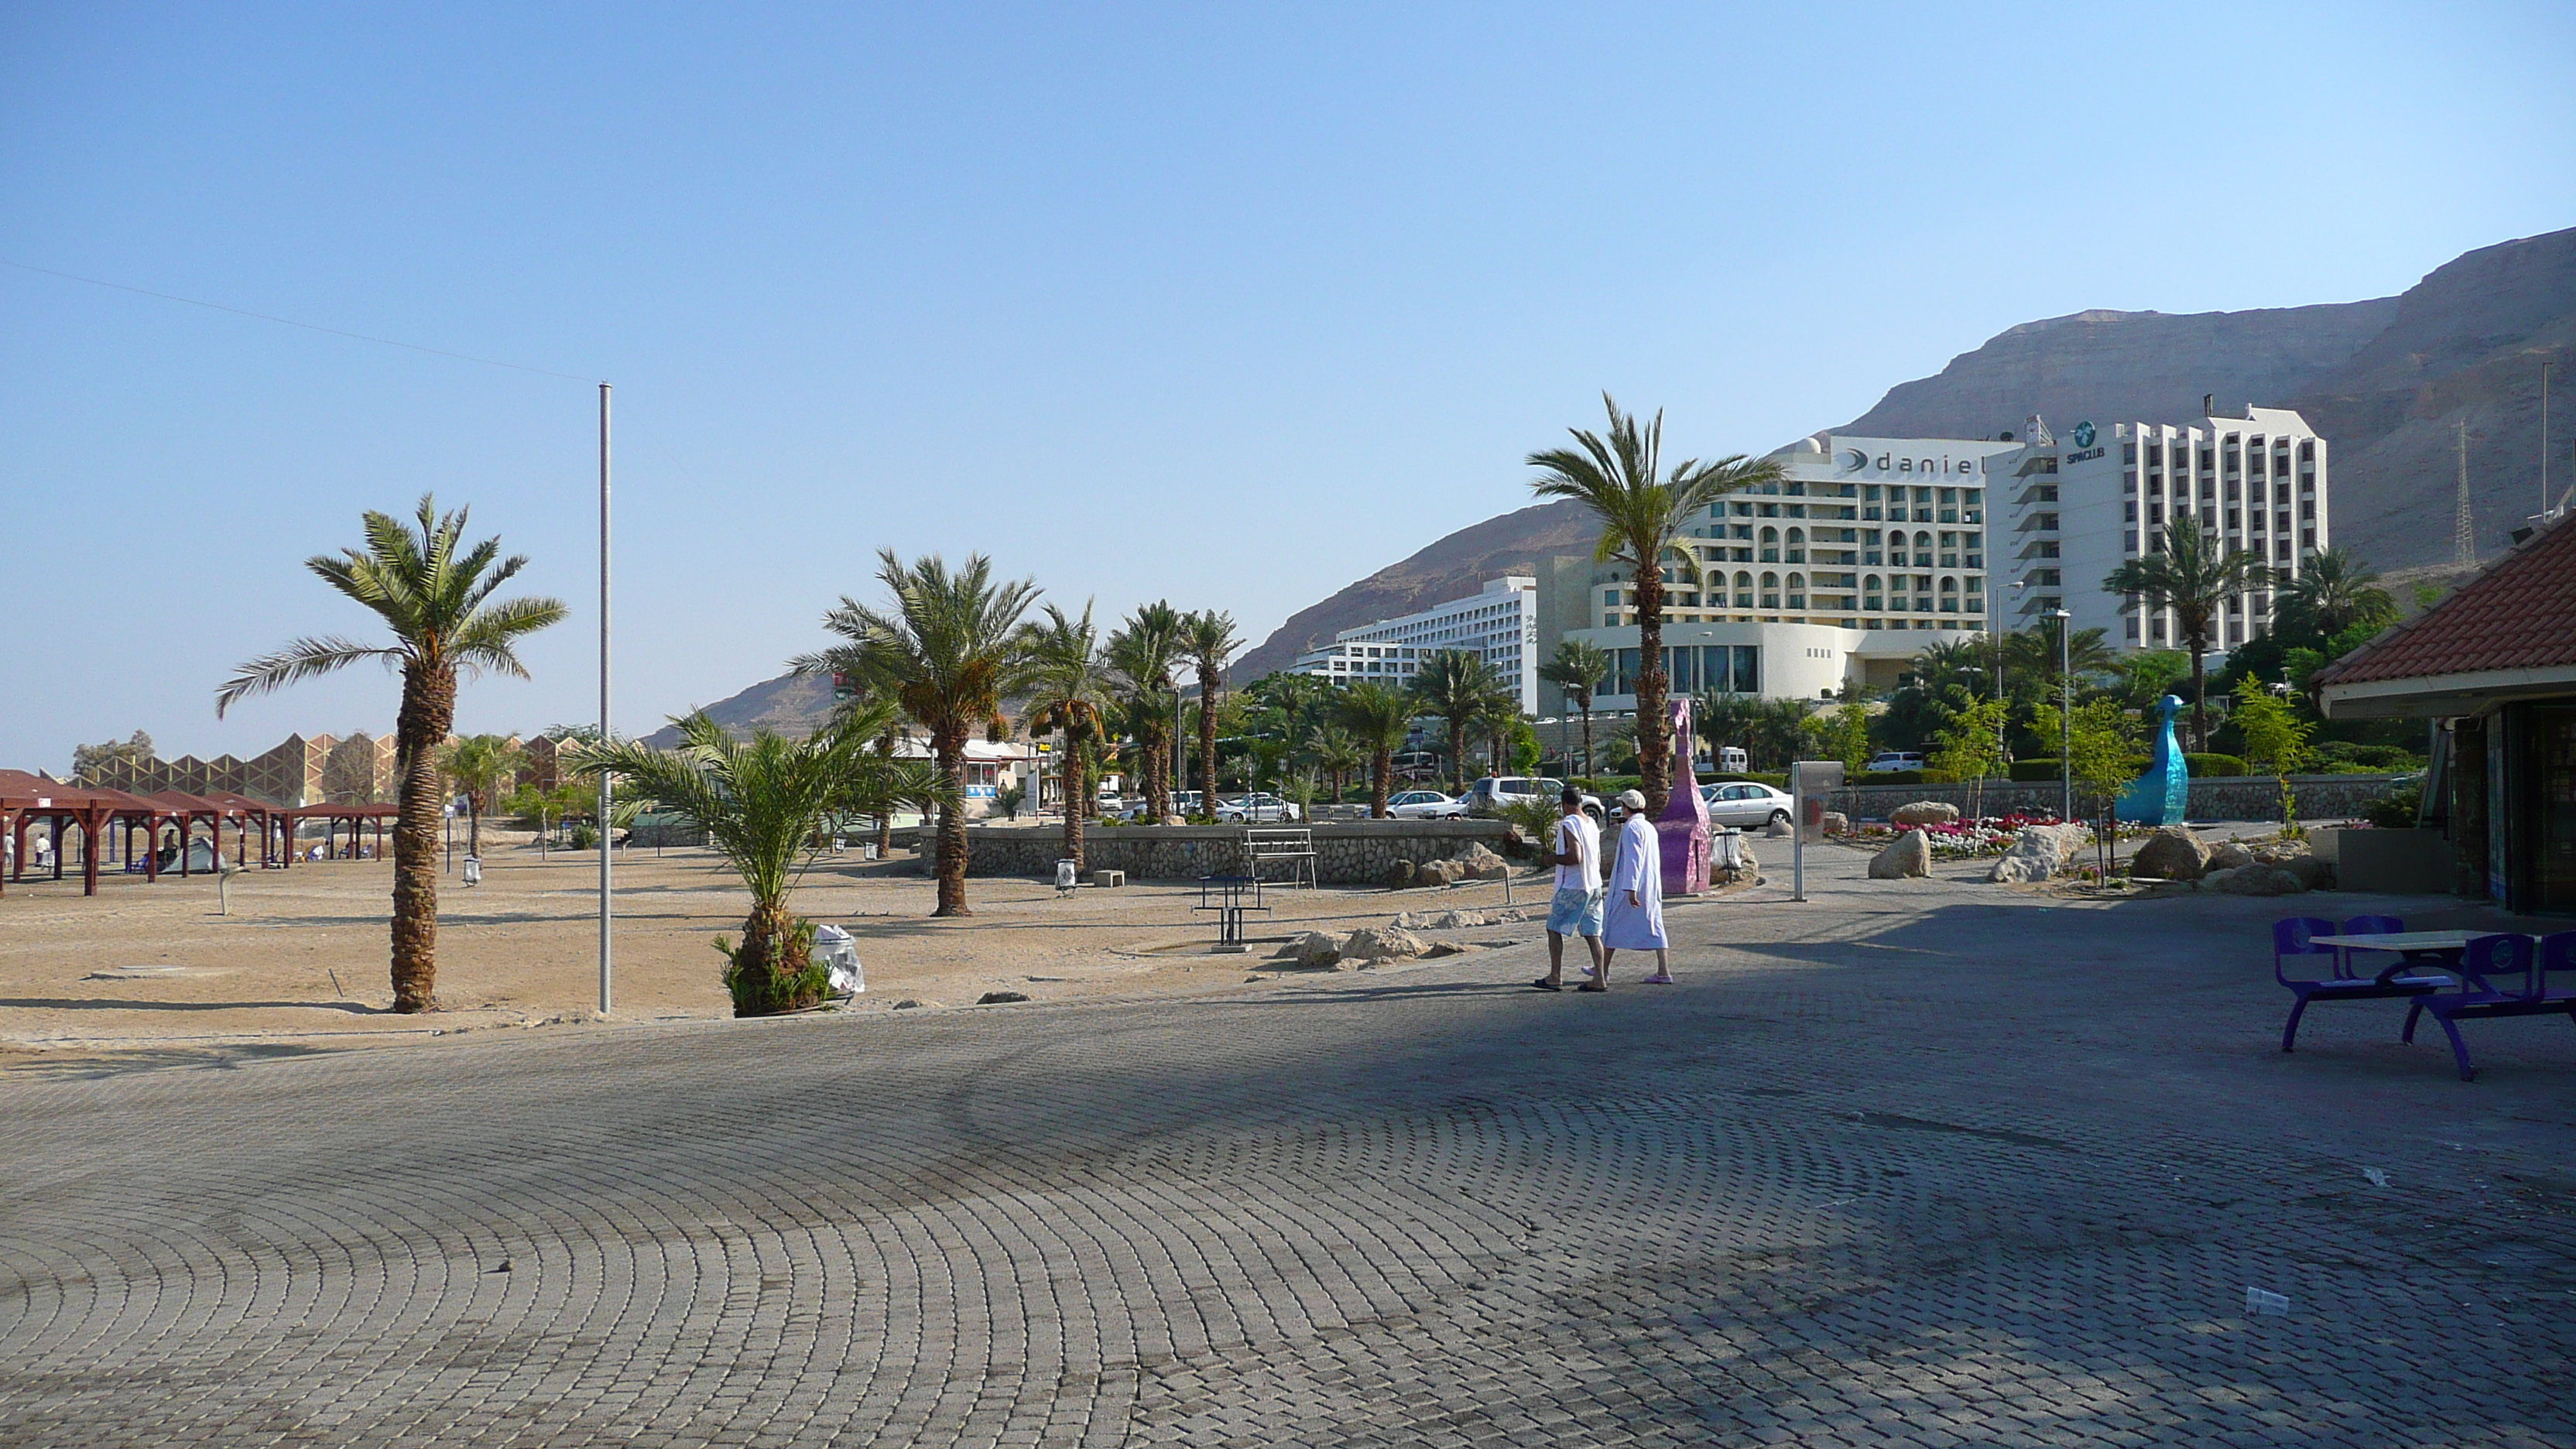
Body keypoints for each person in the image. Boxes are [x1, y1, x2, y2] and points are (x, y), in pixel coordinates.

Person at [1600, 788, 1671, 987]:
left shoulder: (1632, 828)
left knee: (1612, 922)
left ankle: (1602, 970)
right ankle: (1663, 970)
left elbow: (1634, 858)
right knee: (1654, 924)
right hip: (1649, 884)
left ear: (1626, 807)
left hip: (1631, 886)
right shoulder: (1648, 827)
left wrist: (1631, 888)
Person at [1533, 786, 1601, 992]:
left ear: (1564, 805)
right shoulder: (1591, 823)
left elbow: (1575, 857)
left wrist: (1552, 858)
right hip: (1594, 884)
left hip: (1574, 885)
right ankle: (1600, 977)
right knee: (1592, 933)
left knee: (1553, 928)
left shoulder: (1569, 823)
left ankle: (1555, 976)